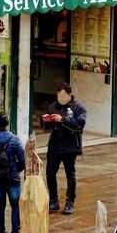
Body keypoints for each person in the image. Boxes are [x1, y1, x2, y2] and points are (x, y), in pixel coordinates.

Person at [42, 82, 86, 215]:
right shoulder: (52, 107)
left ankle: (70, 202)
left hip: (70, 146)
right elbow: (47, 128)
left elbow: (79, 125)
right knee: (50, 173)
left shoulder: (78, 108)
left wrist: (63, 119)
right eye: (58, 95)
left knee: (70, 175)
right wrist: (45, 120)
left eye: (63, 95)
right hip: (55, 145)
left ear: (69, 95)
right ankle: (53, 201)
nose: (60, 98)